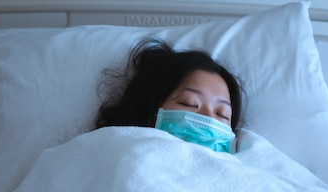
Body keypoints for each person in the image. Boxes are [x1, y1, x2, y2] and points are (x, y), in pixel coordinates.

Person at [95, 38, 244, 153]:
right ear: (148, 110)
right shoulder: (107, 154)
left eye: (222, 114)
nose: (209, 118)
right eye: (189, 103)